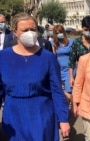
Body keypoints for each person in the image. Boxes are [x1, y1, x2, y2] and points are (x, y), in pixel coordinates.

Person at [0, 12, 70, 141]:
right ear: (15, 32)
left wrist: (63, 119)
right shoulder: (3, 57)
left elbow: (57, 91)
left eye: (33, 29)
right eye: (25, 30)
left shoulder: (48, 58)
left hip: (42, 115)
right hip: (13, 115)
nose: (30, 33)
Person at [68, 16, 90, 88]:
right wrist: (71, 77)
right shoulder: (77, 42)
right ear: (82, 28)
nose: (88, 32)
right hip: (80, 75)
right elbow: (71, 61)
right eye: (86, 29)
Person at [51, 24, 74, 104]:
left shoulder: (71, 42)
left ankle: (67, 110)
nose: (59, 34)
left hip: (69, 70)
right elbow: (53, 57)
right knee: (61, 92)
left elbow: (74, 55)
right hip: (59, 71)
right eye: (57, 33)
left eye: (60, 32)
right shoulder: (54, 43)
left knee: (68, 92)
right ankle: (65, 110)